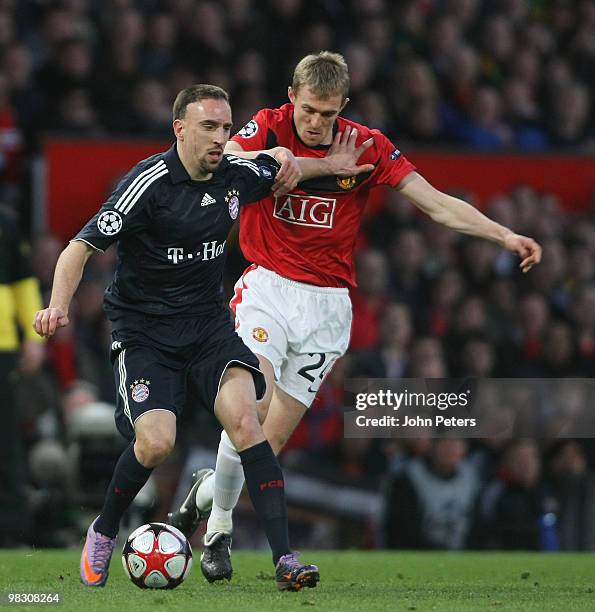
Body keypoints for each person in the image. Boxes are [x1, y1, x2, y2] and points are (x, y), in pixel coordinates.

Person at [169, 52, 543, 582]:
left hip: (327, 309)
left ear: (343, 106)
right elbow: (225, 161)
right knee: (250, 407)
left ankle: (204, 494)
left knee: (265, 449)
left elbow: (435, 203)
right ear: (291, 97)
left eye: (326, 113)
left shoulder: (369, 145)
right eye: (307, 111)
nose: (315, 123)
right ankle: (219, 535)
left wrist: (503, 235)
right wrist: (280, 156)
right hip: (267, 288)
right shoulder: (269, 125)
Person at [33, 83, 370, 592]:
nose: (221, 138)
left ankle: (285, 560)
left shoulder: (236, 176)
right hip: (146, 334)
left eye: (227, 128)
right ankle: (103, 530)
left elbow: (285, 168)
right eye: (209, 127)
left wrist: (333, 166)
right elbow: (80, 246)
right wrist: (57, 304)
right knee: (156, 443)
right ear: (180, 129)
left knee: (249, 421)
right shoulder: (148, 184)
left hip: (208, 328)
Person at [0, 205, 45, 545]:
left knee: (6, 441)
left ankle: (12, 530)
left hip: (3, 345)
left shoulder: (5, 221)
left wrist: (32, 336)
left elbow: (22, 279)